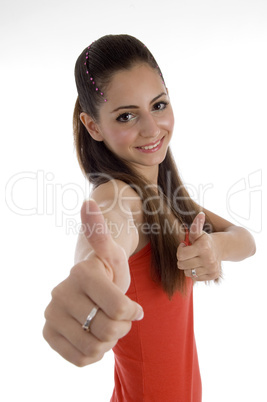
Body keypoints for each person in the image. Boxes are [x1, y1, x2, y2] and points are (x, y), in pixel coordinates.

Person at [43, 34, 256, 401]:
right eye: (126, 115)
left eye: (158, 105)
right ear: (93, 127)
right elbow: (106, 233)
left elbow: (246, 241)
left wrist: (215, 247)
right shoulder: (119, 195)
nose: (151, 129)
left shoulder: (167, 198)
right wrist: (93, 270)